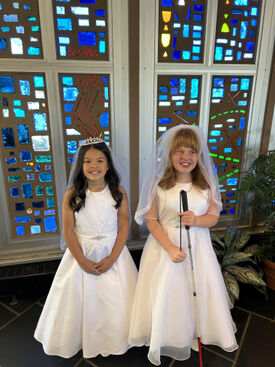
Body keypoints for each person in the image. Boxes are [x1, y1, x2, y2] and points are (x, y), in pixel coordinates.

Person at [128, 125, 238, 365]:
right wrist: (169, 248)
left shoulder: (205, 185)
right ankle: (167, 331)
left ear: (199, 156)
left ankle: (199, 328)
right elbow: (151, 220)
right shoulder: (160, 186)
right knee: (167, 288)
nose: (185, 157)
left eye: (191, 152)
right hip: (163, 247)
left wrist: (197, 220)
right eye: (179, 151)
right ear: (170, 154)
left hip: (197, 247)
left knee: (196, 286)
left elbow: (213, 216)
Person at [34, 137, 137, 358]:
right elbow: (69, 231)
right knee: (81, 301)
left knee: (115, 300)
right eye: (88, 161)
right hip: (81, 253)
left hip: (113, 252)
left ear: (108, 164)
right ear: (81, 165)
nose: (94, 166)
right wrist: (81, 260)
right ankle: (80, 338)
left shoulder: (118, 191)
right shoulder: (72, 194)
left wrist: (112, 258)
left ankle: (116, 338)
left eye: (100, 160)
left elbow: (124, 224)